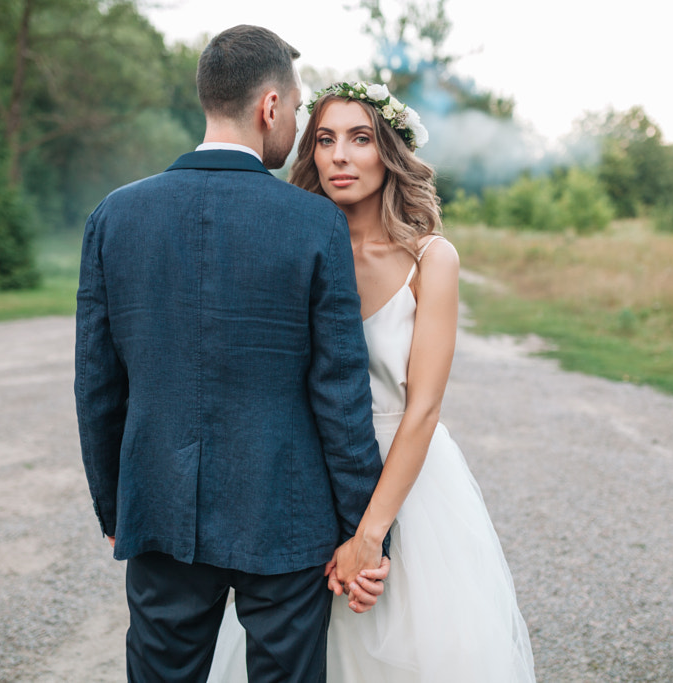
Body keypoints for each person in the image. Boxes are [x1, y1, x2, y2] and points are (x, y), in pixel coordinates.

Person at [74, 27, 389, 683]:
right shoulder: (315, 222)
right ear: (270, 105)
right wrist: (364, 527)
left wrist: (115, 506)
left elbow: (98, 387)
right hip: (288, 516)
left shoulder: (113, 216)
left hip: (157, 509)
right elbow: (340, 394)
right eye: (300, 109)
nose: (298, 124)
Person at [208, 82, 536, 681]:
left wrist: (369, 536)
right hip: (305, 481)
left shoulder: (430, 258)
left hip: (406, 486)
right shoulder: (290, 246)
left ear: (390, 152)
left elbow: (424, 409)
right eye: (326, 139)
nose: (340, 156)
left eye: (360, 139)